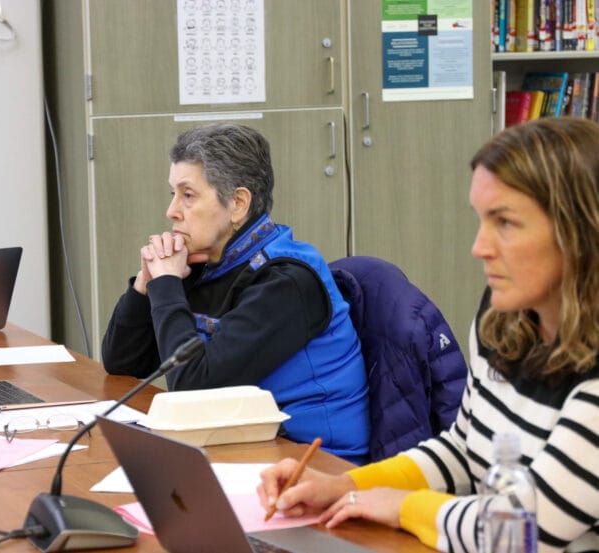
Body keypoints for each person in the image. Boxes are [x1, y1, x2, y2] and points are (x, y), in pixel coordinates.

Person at [257, 117, 599, 552]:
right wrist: (343, 485)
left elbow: (528, 528)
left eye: (506, 223)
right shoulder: (506, 319)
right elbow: (464, 449)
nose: (480, 246)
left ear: (580, 232)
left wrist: (401, 506)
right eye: (481, 220)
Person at [101, 123, 370, 463]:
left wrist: (167, 284)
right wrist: (146, 283)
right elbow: (122, 362)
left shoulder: (285, 282)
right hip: (248, 445)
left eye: (188, 195)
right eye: (173, 193)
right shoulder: (207, 263)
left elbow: (193, 391)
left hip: (317, 463)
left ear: (239, 204)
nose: (172, 211)